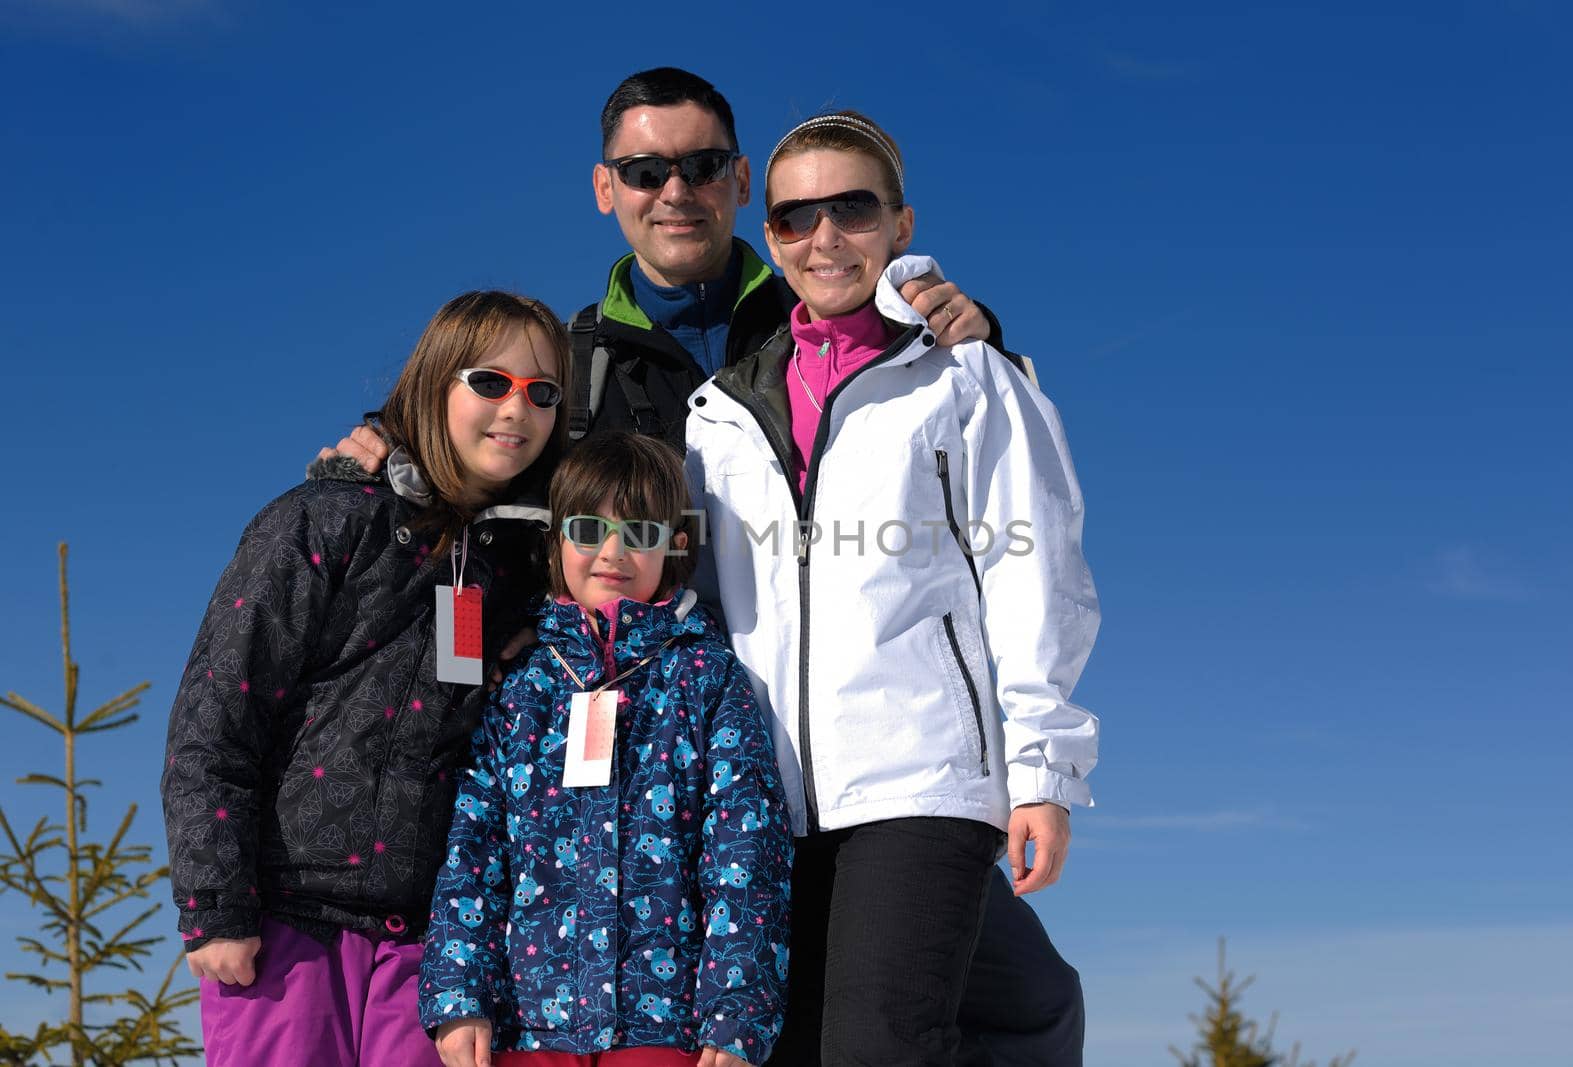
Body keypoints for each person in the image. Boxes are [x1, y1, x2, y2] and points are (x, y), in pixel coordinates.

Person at [331, 68, 1087, 1066]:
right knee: (801, 1022)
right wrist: (390, 444)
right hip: (683, 760)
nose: (672, 190)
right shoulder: (576, 360)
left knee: (1018, 999)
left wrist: (966, 324)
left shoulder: (822, 312)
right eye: (645, 170)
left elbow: (990, 490)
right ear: (607, 188)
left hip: (880, 742)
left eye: (697, 166)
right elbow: (492, 451)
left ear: (736, 184)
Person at [683, 110, 1100, 1066]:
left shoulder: (965, 378)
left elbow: (1035, 574)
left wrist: (1042, 768)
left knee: (878, 1046)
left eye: (852, 207)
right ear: (771, 236)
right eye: (794, 218)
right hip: (765, 798)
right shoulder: (721, 414)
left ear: (901, 226)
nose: (824, 236)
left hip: (918, 782)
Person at [161, 291, 571, 1066]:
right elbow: (216, 713)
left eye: (542, 392)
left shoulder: (519, 575)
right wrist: (215, 904)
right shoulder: (325, 520)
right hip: (284, 923)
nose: (517, 408)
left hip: (423, 944)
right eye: (491, 381)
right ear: (434, 381)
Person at [422, 432, 792, 1067]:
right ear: (557, 540)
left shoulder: (705, 677)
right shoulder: (525, 685)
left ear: (676, 545)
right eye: (590, 529)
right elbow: (473, 845)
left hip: (664, 1026)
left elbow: (747, 851)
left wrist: (736, 1015)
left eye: (641, 533)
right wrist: (460, 996)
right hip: (530, 1024)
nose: (614, 552)